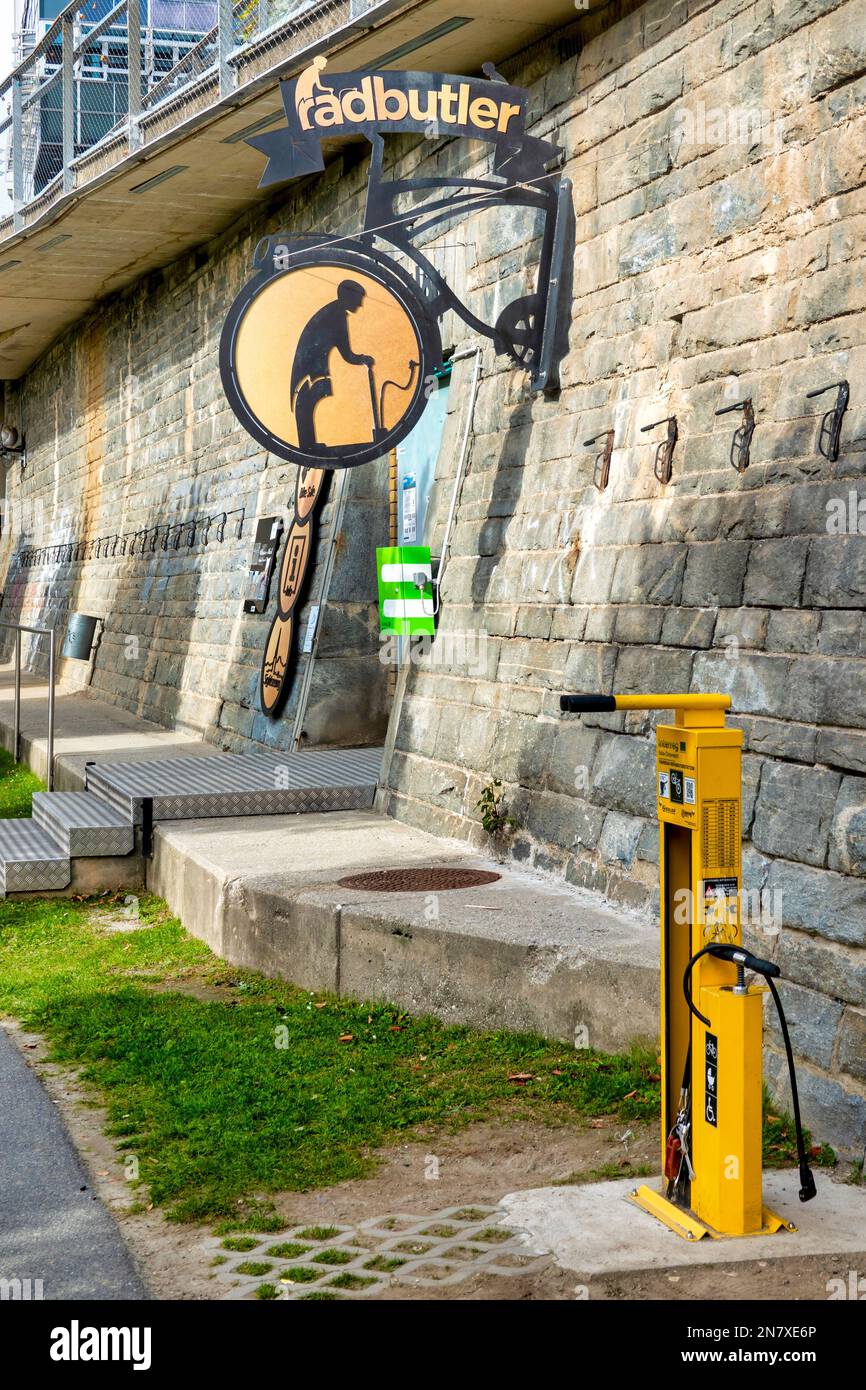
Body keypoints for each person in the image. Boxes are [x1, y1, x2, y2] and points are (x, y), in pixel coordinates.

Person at [290, 280, 374, 452]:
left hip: (312, 368)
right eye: (358, 298)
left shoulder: (332, 312)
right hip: (311, 371)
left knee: (307, 403)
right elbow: (347, 353)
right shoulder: (336, 316)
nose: (360, 303)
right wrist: (363, 359)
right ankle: (308, 446)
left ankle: (308, 445)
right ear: (348, 296)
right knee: (307, 402)